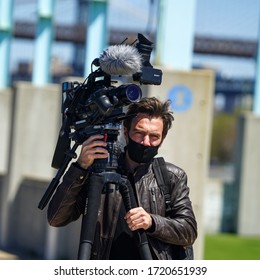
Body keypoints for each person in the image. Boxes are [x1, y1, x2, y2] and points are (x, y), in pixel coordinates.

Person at [47, 97, 197, 260]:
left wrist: (152, 222)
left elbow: (188, 231)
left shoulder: (171, 176)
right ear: (126, 132)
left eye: (154, 136)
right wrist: (80, 167)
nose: (146, 142)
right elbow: (56, 218)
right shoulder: (97, 170)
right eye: (139, 133)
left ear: (162, 139)